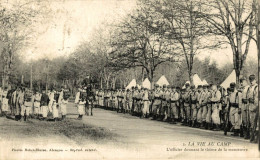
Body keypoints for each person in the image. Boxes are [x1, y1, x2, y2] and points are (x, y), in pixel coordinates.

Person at [246, 74, 258, 143]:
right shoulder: (250, 88)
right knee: (252, 123)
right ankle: (252, 136)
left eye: (252, 80)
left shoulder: (256, 87)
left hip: (255, 107)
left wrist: (255, 107)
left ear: (255, 80)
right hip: (250, 107)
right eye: (250, 80)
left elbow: (256, 99)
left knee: (256, 123)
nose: (251, 81)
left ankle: (256, 138)